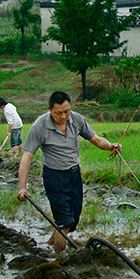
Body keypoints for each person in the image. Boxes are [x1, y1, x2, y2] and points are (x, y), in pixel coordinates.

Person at [17, 90, 121, 252]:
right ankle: (59, 260)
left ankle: (50, 245)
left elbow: (96, 139)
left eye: (67, 111)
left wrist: (110, 147)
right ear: (50, 109)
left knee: (72, 220)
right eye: (59, 113)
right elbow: (27, 158)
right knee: (64, 222)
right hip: (54, 177)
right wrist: (22, 187)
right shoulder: (40, 127)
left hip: (74, 175)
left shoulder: (77, 119)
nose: (64, 116)